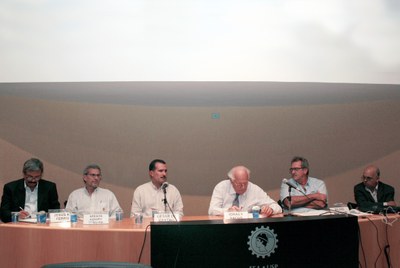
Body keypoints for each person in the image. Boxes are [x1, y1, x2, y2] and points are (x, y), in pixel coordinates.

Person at [0, 158, 60, 222]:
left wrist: (45, 215)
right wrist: (17, 215)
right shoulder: (11, 188)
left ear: (41, 174)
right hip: (19, 224)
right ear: (24, 174)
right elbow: (3, 212)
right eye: (30, 176)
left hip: (42, 224)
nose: (33, 180)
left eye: (37, 177)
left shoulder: (49, 187)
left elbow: (55, 210)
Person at [208, 165, 282, 216]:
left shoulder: (254, 189)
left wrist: (270, 210)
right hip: (223, 226)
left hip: (246, 227)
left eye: (245, 183)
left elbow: (277, 207)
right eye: (239, 184)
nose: (243, 187)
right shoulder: (221, 187)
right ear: (231, 181)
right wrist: (227, 211)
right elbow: (211, 211)